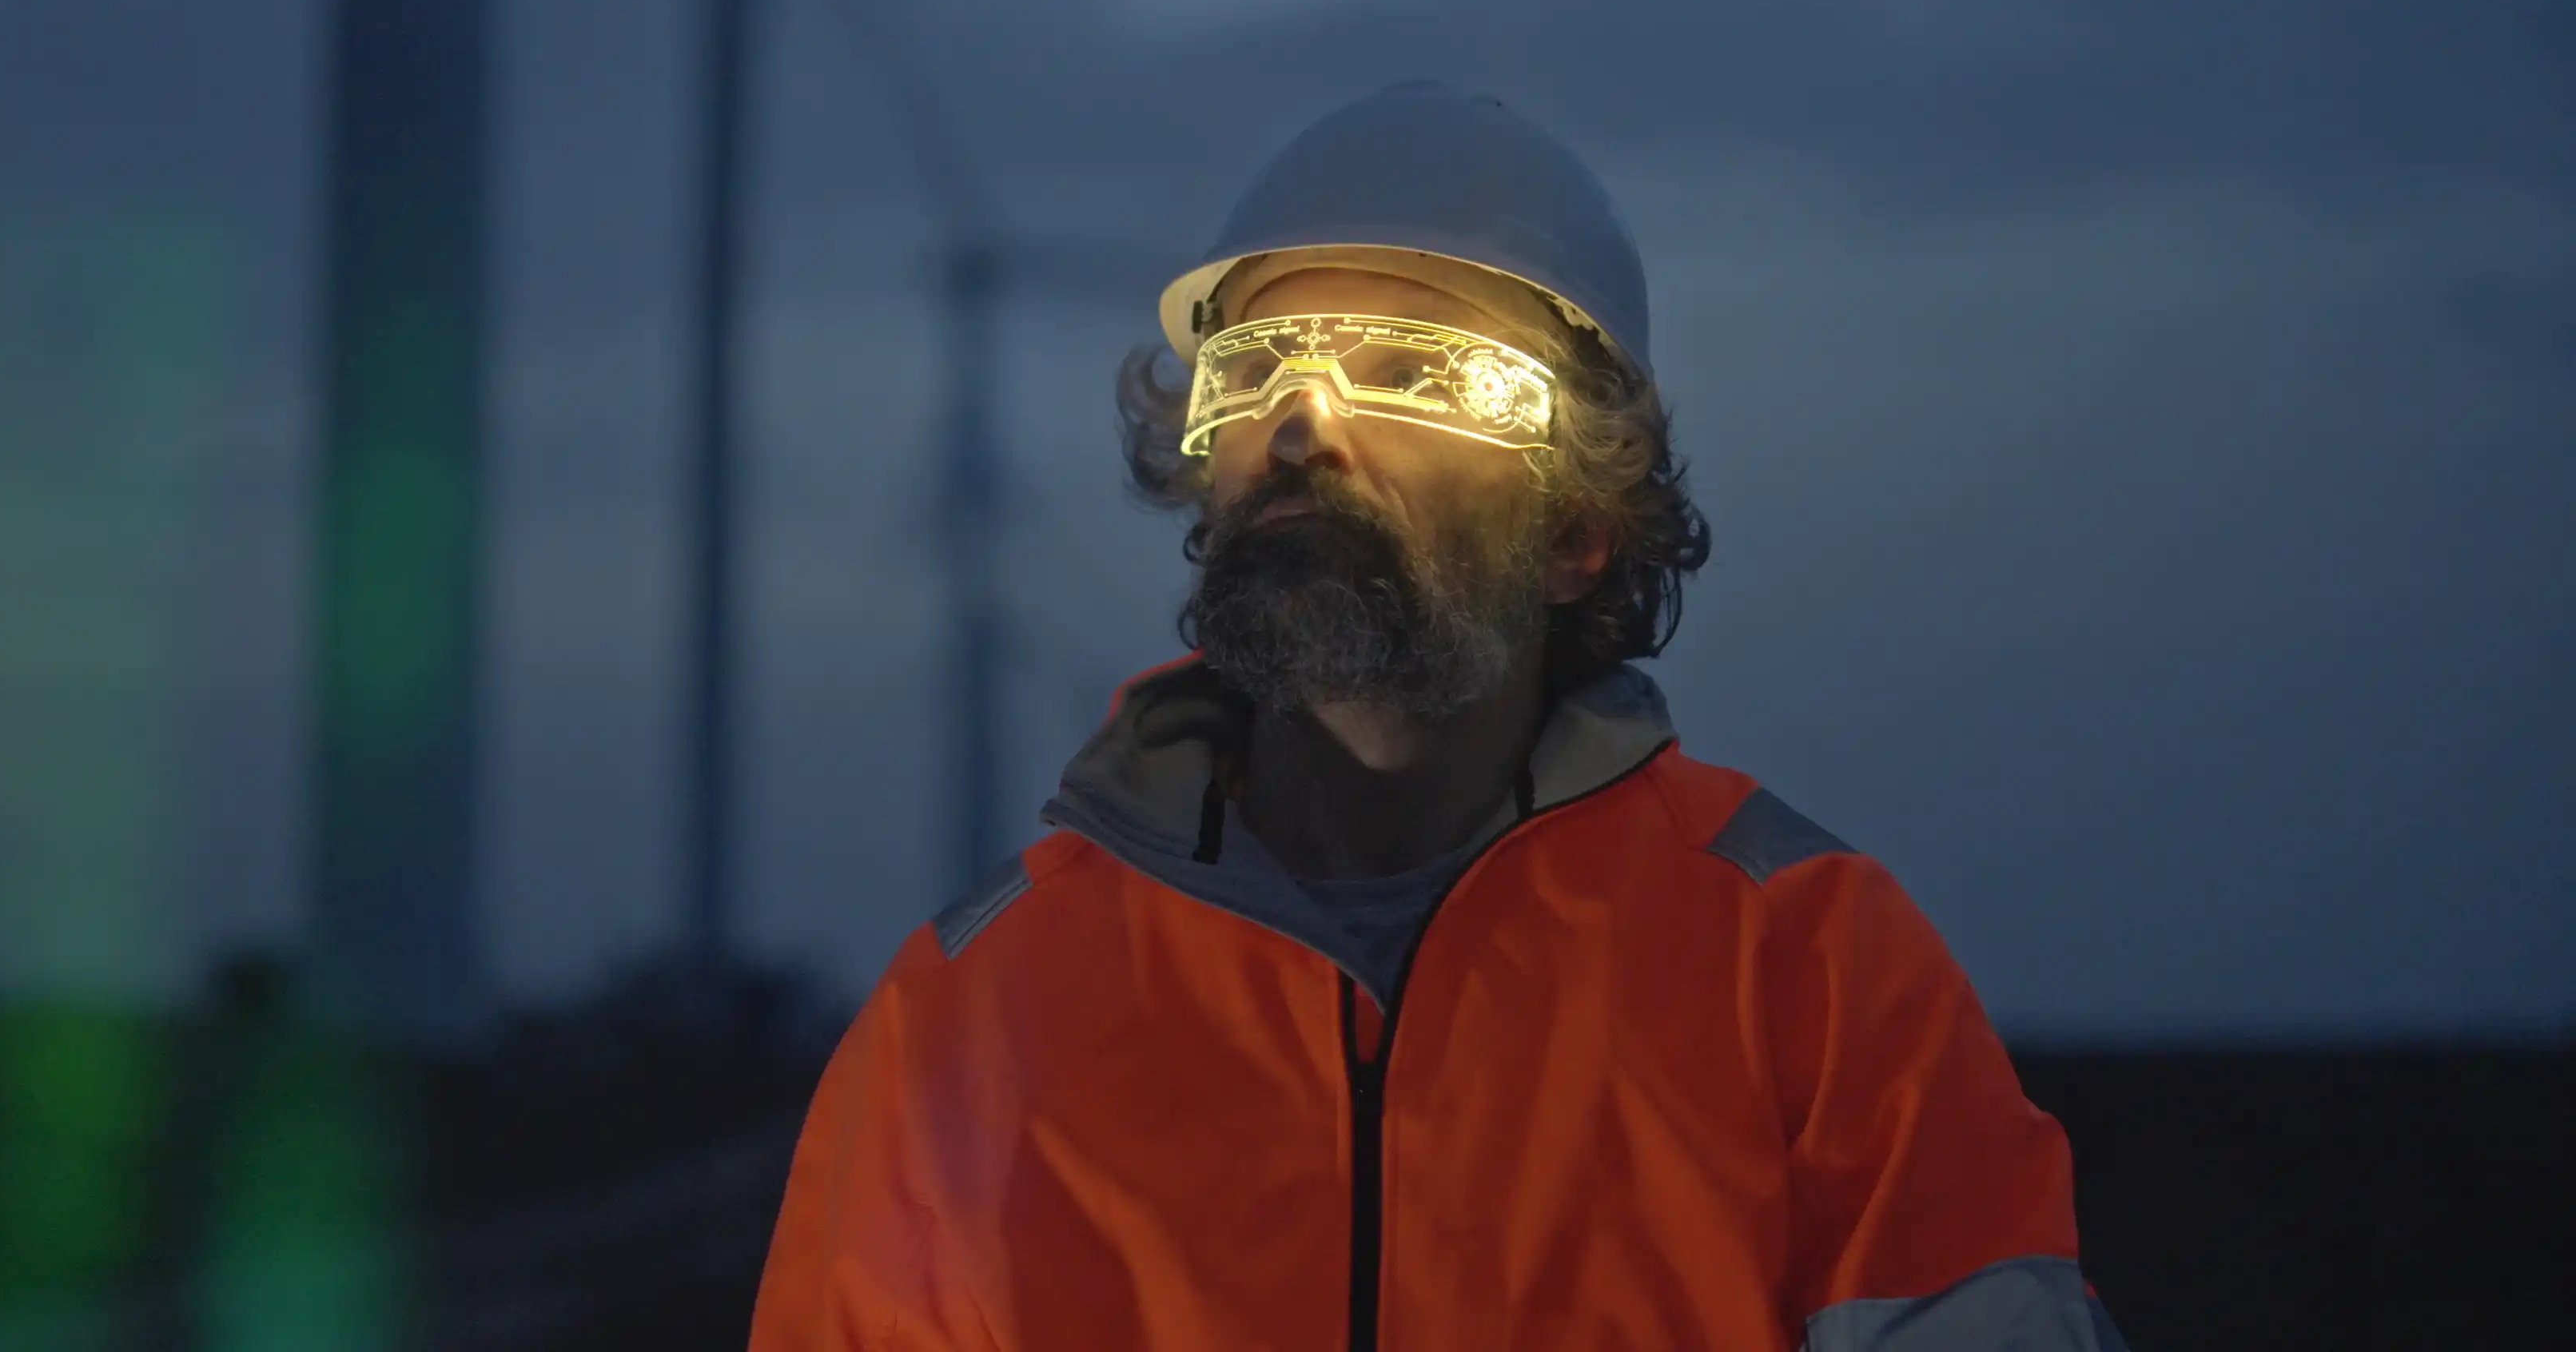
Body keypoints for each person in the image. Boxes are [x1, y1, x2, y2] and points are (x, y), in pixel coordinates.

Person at [747, 82, 2129, 1350]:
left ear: (1580, 529)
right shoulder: (976, 1017)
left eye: (1409, 374)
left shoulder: (1812, 979)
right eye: (1256, 371)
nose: (1302, 426)